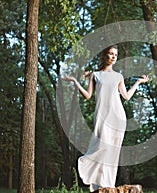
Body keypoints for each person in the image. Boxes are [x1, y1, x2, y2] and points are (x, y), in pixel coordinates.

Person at [63, 45, 149, 192]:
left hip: (118, 117)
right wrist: (76, 82)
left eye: (116, 54)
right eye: (110, 54)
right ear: (105, 56)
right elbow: (88, 95)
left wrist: (138, 82)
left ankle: (107, 184)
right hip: (102, 116)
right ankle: (96, 182)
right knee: (101, 146)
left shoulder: (118, 76)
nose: (114, 57)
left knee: (112, 151)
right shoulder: (95, 75)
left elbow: (126, 96)